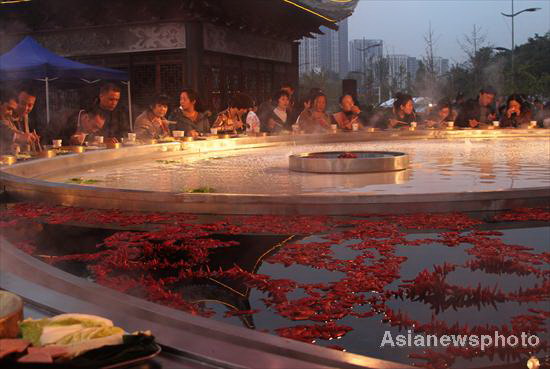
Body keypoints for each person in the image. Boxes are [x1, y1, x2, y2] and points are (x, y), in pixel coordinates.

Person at [0, 90, 39, 154]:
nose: (26, 108)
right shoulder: (4, 117)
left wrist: (27, 137)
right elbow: (4, 129)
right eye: (23, 103)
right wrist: (20, 136)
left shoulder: (25, 116)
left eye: (30, 105)